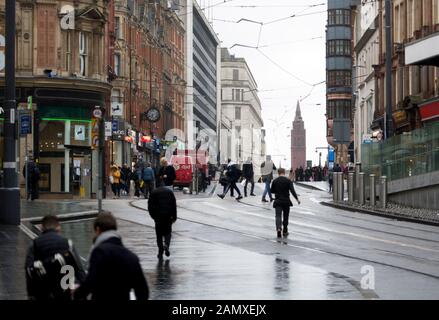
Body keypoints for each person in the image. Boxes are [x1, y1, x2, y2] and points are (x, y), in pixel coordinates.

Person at [74, 214, 149, 300]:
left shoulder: (99, 252)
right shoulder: (131, 257)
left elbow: (90, 282)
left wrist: (76, 294)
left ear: (98, 229)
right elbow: (143, 291)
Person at [25, 215, 86, 300]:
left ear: (42, 227)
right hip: (64, 290)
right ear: (58, 227)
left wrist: (31, 294)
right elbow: (79, 269)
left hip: (43, 291)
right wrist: (82, 289)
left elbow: (29, 270)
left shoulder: (34, 244)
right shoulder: (68, 243)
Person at [148, 186, 177, 259]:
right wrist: (174, 216)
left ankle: (160, 251)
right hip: (168, 216)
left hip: (158, 216)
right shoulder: (170, 192)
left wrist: (153, 216)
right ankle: (166, 245)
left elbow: (150, 206)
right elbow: (174, 205)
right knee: (168, 232)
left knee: (159, 234)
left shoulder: (153, 193)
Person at [270, 168, 300, 238]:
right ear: (284, 173)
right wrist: (297, 199)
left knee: (278, 216)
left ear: (278, 173)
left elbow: (272, 191)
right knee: (286, 216)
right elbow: (292, 191)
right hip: (286, 201)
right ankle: (285, 230)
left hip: (278, 201)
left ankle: (278, 228)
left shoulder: (275, 181)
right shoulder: (288, 181)